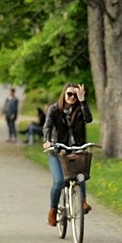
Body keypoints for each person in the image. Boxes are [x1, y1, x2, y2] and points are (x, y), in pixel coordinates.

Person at [42, 83, 93, 226]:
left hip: (76, 149)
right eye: (69, 94)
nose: (72, 97)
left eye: (75, 95)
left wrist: (83, 101)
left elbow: (89, 119)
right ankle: (53, 210)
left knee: (81, 175)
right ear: (64, 94)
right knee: (59, 181)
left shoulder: (80, 109)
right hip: (58, 151)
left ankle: (82, 201)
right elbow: (47, 127)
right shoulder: (54, 109)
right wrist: (47, 141)